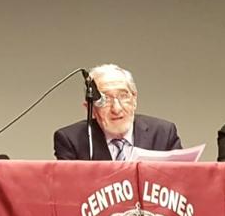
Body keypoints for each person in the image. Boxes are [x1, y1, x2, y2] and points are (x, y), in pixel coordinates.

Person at [53, 64, 181, 160]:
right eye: (106, 99)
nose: (117, 108)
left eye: (123, 96)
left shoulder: (163, 133)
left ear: (134, 99)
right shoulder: (71, 140)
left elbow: (181, 184)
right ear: (90, 108)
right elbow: (68, 192)